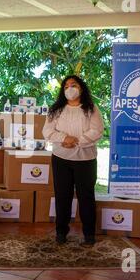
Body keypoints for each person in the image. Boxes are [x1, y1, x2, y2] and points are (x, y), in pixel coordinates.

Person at [42, 75, 104, 246]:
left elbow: (97, 130)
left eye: (73, 85)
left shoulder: (91, 108)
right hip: (61, 158)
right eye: (66, 86)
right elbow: (47, 131)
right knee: (62, 196)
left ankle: (89, 235)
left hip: (86, 159)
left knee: (86, 197)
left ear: (81, 88)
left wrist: (76, 140)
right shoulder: (56, 109)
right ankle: (61, 233)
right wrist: (63, 138)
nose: (70, 88)